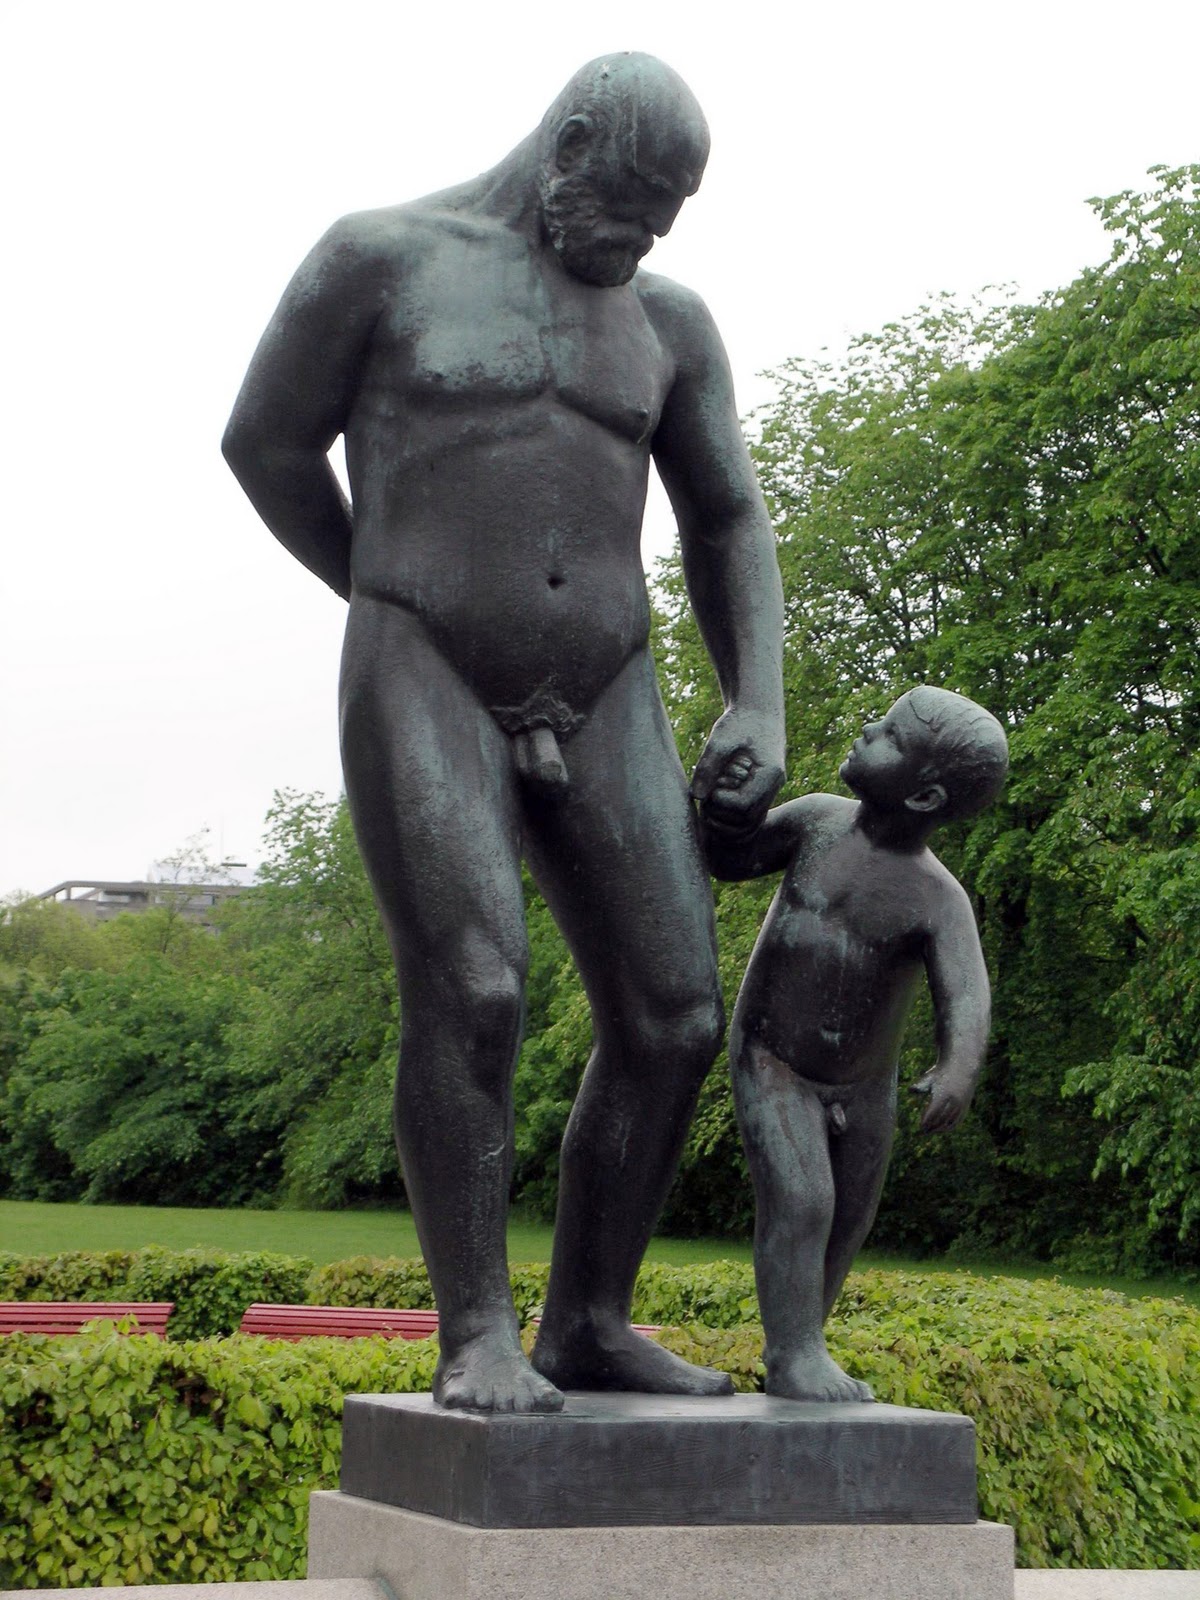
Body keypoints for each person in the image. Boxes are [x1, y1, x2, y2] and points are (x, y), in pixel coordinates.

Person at [222, 54, 785, 1413]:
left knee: (674, 1015)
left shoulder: (667, 323)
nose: (645, 238)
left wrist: (756, 696)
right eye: (633, 203)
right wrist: (382, 587)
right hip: (425, 663)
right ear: (569, 144)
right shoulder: (381, 260)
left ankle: (586, 1321)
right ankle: (476, 1332)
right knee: (475, 989)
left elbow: (726, 517)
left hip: (607, 683)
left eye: (669, 217)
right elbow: (264, 444)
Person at [702, 687, 1008, 1402]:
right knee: (804, 1198)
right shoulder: (815, 821)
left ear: (924, 795)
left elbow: (967, 995)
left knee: (849, 1218)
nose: (868, 727)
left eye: (891, 735)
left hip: (867, 1086)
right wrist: (728, 811)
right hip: (772, 1058)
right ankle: (794, 1354)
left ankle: (803, 1345)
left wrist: (958, 1067)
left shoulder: (938, 899)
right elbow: (731, 860)